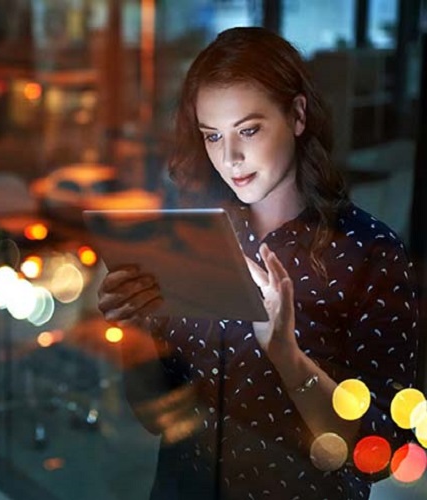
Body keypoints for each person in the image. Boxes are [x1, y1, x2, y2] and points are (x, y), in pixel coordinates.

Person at [97, 27, 419, 500]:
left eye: (249, 130)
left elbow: (383, 452)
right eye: (213, 136)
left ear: (297, 115)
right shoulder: (193, 238)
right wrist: (133, 326)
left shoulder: (369, 253)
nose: (230, 158)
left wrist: (286, 354)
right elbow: (155, 415)